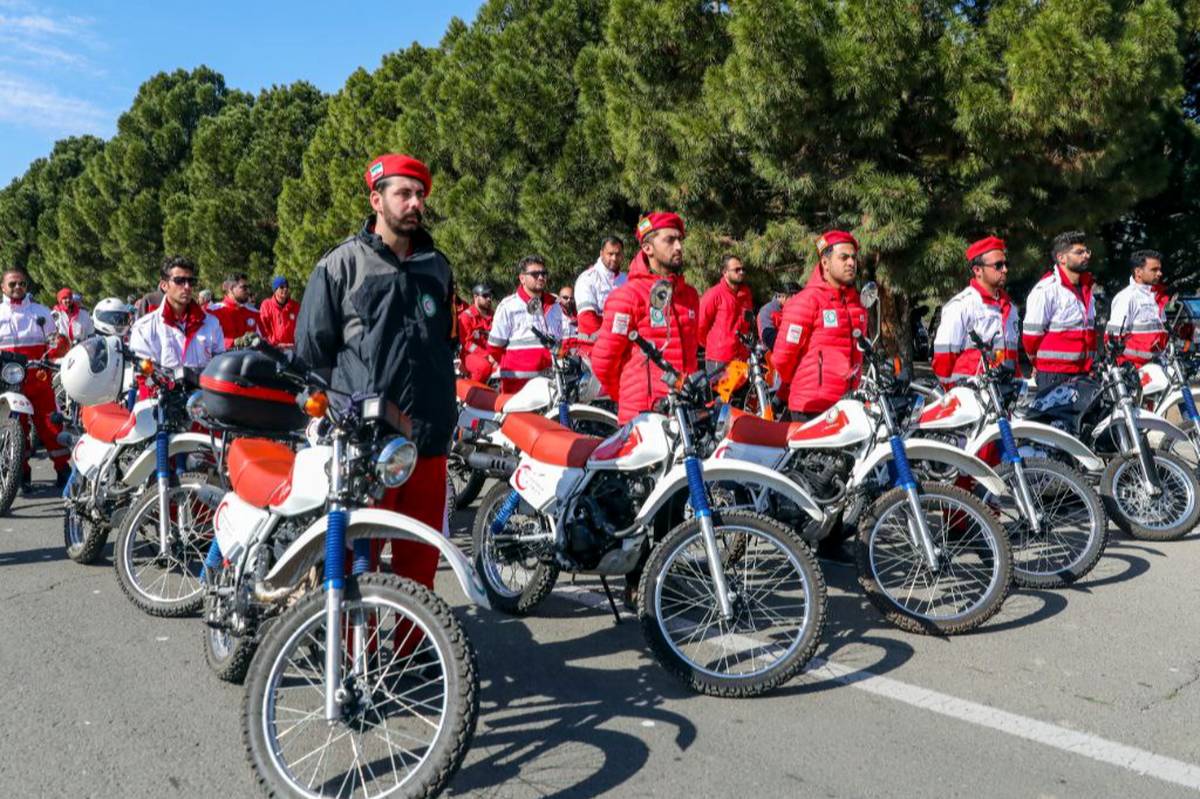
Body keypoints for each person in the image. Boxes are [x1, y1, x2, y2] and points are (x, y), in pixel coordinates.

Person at [295, 152, 457, 598]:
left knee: (420, 565)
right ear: (376, 199)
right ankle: (345, 657)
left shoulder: (438, 268)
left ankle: (414, 660)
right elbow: (313, 356)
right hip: (365, 443)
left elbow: (447, 345)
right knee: (351, 561)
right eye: (403, 193)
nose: (414, 202)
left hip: (427, 443)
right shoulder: (340, 265)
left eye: (419, 194)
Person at [591, 213, 699, 424]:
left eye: (680, 240)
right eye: (669, 240)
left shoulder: (690, 296)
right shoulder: (627, 297)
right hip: (644, 419)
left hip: (687, 413)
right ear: (648, 248)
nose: (678, 247)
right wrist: (630, 398)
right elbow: (603, 363)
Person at [772, 230, 868, 421]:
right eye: (844, 257)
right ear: (825, 262)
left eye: (853, 258)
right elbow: (782, 358)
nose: (851, 263)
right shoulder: (806, 301)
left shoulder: (857, 304)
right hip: (812, 408)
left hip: (847, 405)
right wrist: (809, 383)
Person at [0, 266, 69, 490]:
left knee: (50, 423)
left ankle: (62, 468)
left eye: (22, 283)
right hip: (8, 379)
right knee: (12, 425)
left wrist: (59, 345)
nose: (18, 287)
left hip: (38, 375)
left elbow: (54, 341)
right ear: (3, 287)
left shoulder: (41, 312)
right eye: (12, 284)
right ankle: (19, 472)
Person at [931, 236, 1020, 388]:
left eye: (1006, 264)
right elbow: (943, 360)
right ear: (977, 270)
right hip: (970, 398)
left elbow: (1013, 356)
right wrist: (952, 394)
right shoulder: (962, 305)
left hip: (1003, 396)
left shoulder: (1011, 309)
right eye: (998, 265)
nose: (1005, 269)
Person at [1023, 231, 1097, 391]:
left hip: (1083, 373)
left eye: (1087, 251)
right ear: (1061, 258)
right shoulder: (1047, 289)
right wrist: (1040, 364)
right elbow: (1031, 338)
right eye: (1079, 252)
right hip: (1053, 375)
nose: (1086, 256)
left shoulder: (1087, 290)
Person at [129, 256, 225, 374]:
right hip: (164, 391)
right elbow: (143, 377)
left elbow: (220, 367)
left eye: (191, 281)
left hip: (203, 391)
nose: (187, 287)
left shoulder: (212, 323)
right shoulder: (144, 328)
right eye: (179, 281)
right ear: (164, 285)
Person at [487, 255, 563, 393]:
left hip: (550, 385)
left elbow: (558, 342)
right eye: (535, 274)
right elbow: (494, 348)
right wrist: (516, 365)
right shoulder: (508, 306)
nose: (541, 277)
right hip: (517, 387)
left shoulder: (555, 305)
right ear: (522, 278)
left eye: (543, 273)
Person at [1106, 249, 1169, 367]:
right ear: (1138, 272)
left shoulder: (1154, 297)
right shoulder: (1126, 297)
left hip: (1157, 367)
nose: (1160, 273)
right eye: (1154, 269)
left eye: (1160, 269)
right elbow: (1112, 340)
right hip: (1135, 371)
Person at [698, 254, 754, 374]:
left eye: (743, 269)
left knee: (743, 393)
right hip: (719, 360)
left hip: (742, 358)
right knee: (721, 393)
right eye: (737, 269)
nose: (741, 272)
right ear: (725, 272)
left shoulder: (746, 294)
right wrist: (714, 345)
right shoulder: (714, 294)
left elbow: (747, 322)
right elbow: (699, 326)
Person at [574, 236, 626, 353]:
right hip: (594, 351)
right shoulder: (588, 278)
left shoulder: (626, 280)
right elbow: (587, 319)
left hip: (621, 349)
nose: (614, 258)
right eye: (610, 254)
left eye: (618, 254)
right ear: (601, 253)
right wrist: (609, 343)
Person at [207, 273, 259, 348]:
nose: (248, 291)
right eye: (244, 288)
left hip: (251, 358)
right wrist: (234, 342)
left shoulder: (255, 313)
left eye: (248, 287)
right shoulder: (213, 312)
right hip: (223, 358)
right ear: (230, 289)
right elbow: (208, 343)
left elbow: (264, 340)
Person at [457, 283, 495, 382]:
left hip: (492, 353)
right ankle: (472, 394)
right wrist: (486, 356)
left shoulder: (494, 315)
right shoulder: (466, 317)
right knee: (483, 367)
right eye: (485, 296)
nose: (489, 299)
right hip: (469, 355)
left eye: (490, 296)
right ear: (475, 297)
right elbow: (467, 344)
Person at [258, 276, 300, 350]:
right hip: (274, 348)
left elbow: (301, 327)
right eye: (281, 287)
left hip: (293, 347)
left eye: (287, 287)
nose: (285, 289)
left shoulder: (295, 306)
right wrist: (272, 343)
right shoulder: (266, 305)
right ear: (275, 290)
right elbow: (263, 328)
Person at [757, 282, 798, 350]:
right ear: (783, 297)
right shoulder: (767, 311)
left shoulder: (794, 309)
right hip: (774, 353)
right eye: (795, 298)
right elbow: (768, 337)